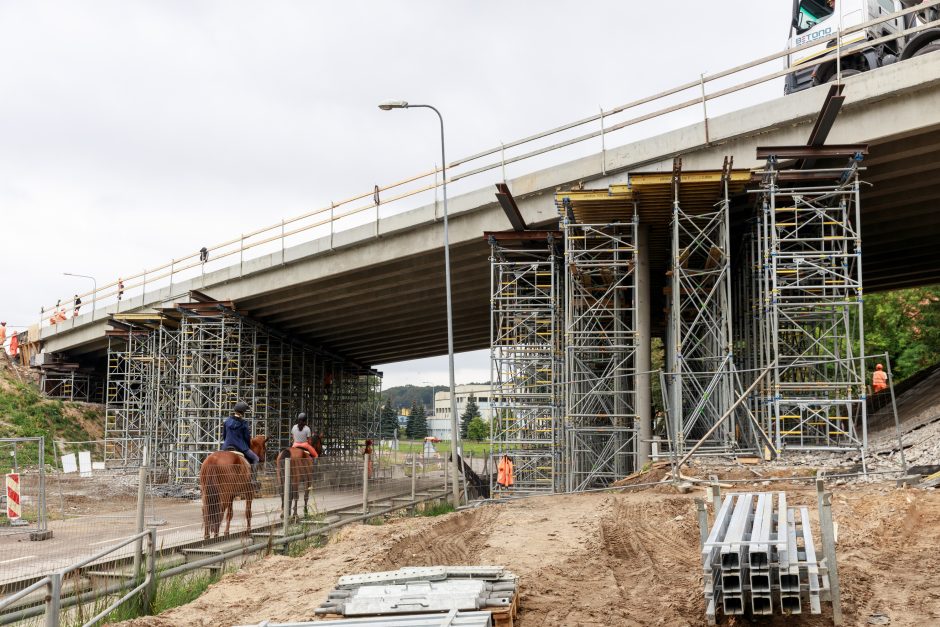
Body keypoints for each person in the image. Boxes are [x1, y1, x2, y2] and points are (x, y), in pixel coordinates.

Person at [222, 401, 260, 487]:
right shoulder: (244, 423)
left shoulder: (227, 421)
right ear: (243, 412)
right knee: (256, 459)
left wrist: (227, 443)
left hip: (226, 446)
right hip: (240, 447)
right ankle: (253, 480)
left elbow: (224, 435)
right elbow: (247, 437)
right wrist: (247, 447)